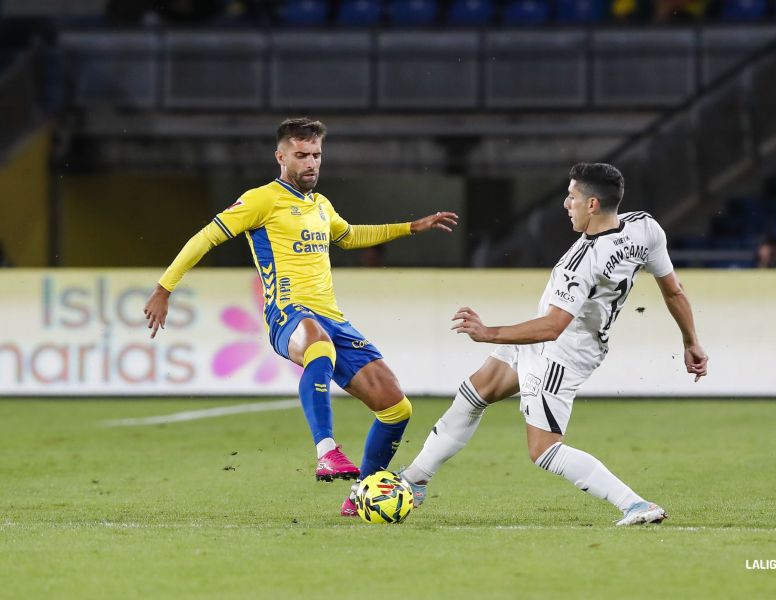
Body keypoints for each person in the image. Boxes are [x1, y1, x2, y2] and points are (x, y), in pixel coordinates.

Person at [144, 117, 458, 516]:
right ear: (281, 157)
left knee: (397, 408)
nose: (311, 163)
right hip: (287, 314)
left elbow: (350, 236)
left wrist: (411, 227)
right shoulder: (261, 200)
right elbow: (207, 236)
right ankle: (326, 450)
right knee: (318, 345)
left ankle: (360, 494)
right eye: (302, 155)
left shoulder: (321, 205)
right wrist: (164, 288)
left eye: (316, 155)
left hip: (333, 319)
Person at [398, 163, 708, 526]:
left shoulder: (580, 262)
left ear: (592, 204)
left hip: (561, 354)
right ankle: (415, 479)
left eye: (572, 196)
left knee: (543, 450)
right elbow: (674, 290)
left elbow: (552, 327)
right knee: (475, 392)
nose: (566, 204)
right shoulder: (644, 226)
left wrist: (487, 333)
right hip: (556, 340)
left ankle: (635, 504)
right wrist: (691, 342)